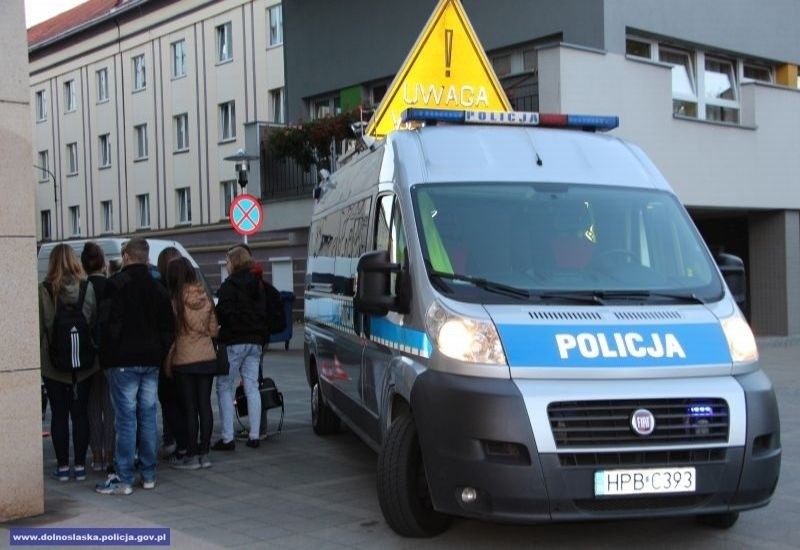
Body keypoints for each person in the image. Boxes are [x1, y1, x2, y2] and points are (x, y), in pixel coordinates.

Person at [95, 238, 174, 495]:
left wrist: (107, 356)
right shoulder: (157, 286)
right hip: (150, 360)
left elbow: (107, 326)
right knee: (148, 416)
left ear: (127, 256)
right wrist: (160, 352)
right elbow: (167, 328)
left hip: (122, 362)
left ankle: (125, 477)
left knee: (126, 420)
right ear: (146, 257)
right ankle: (149, 475)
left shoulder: (115, 285)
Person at [38, 244, 98, 482]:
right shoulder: (87, 287)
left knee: (59, 415)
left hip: (53, 365)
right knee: (80, 413)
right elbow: (91, 320)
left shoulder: (44, 290)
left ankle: (63, 467)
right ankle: (81, 466)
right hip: (84, 364)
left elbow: (42, 325)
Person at [165, 257, 219, 469]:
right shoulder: (204, 296)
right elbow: (214, 329)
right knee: (205, 405)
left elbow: (171, 331)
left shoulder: (174, 300)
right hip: (206, 356)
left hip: (184, 357)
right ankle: (205, 454)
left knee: (189, 408)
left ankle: (191, 455)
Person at [213, 245, 267, 450]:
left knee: (224, 386)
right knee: (252, 385)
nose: (226, 265)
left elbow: (222, 313)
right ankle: (254, 435)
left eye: (227, 261)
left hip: (234, 341)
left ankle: (228, 437)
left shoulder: (229, 285)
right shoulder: (257, 284)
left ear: (234, 262)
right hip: (255, 342)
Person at [80, 241, 115, 472]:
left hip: (88, 355)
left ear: (83, 264)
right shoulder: (112, 285)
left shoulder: (82, 288)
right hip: (112, 353)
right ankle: (110, 454)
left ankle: (97, 456)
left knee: (92, 406)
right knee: (110, 407)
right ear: (103, 262)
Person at [155, 246, 187, 462]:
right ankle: (188, 442)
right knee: (186, 400)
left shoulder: (160, 290)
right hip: (189, 353)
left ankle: (173, 440)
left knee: (168, 399)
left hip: (166, 353)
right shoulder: (193, 288)